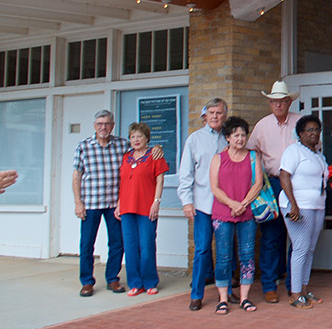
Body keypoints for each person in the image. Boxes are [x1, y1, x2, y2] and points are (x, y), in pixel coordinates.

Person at [72, 109, 153, 297]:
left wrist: (157, 148)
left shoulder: (122, 145)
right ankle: (87, 281)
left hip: (115, 204)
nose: (103, 127)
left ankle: (112, 278)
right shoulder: (83, 147)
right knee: (87, 244)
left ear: (113, 125)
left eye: (107, 123)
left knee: (117, 243)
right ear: (94, 126)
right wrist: (78, 202)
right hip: (90, 203)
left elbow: (142, 150)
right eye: (100, 124)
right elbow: (76, 175)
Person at [247, 80, 301, 304]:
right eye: (273, 101)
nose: (278, 105)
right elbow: (250, 154)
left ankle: (294, 284)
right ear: (269, 103)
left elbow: (314, 149)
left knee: (296, 237)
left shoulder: (300, 122)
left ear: (289, 102)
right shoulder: (262, 125)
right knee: (271, 236)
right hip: (273, 184)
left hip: (297, 185)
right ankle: (269, 285)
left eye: (282, 101)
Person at [178, 97, 229, 311]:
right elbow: (186, 172)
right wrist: (187, 202)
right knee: (202, 249)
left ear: (225, 115)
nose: (215, 116)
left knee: (226, 250)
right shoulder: (195, 139)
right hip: (203, 204)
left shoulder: (229, 138)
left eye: (218, 112)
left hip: (226, 204)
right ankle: (197, 294)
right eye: (211, 113)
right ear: (205, 115)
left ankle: (226, 292)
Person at [210, 116, 263, 315]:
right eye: (236, 135)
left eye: (243, 135)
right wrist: (232, 204)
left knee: (247, 256)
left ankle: (244, 298)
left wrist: (243, 204)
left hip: (246, 213)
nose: (240, 139)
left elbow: (258, 183)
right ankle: (223, 299)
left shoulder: (253, 157)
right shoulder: (218, 159)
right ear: (227, 137)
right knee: (223, 256)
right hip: (223, 213)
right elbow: (214, 187)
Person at [278, 115, 329, 308]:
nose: (315, 133)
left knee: (310, 249)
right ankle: (295, 293)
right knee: (300, 248)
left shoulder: (318, 155)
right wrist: (293, 204)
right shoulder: (293, 151)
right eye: (310, 130)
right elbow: (284, 176)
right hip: (298, 206)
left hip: (317, 205)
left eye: (317, 130)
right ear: (300, 133)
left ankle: (304, 290)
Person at [115, 122, 168, 296]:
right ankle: (135, 283)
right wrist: (119, 204)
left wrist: (156, 201)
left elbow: (160, 180)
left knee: (147, 246)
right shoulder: (126, 157)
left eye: (139, 136)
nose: (136, 140)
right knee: (130, 247)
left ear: (147, 138)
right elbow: (123, 182)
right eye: (133, 137)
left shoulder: (155, 155)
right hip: (127, 207)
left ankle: (150, 282)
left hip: (146, 207)